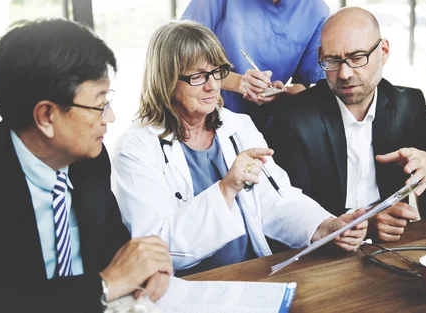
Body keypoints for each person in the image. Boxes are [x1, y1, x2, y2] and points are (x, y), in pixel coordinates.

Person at [112, 20, 368, 275]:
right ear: (166, 79)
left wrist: (326, 226)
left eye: (217, 72)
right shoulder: (136, 146)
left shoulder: (238, 126)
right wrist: (226, 189)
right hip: (186, 286)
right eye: (198, 76)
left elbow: (277, 201)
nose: (212, 85)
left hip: (250, 274)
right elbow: (157, 249)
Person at [0, 19, 173, 312]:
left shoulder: (89, 161)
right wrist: (105, 284)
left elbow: (114, 248)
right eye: (100, 103)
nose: (111, 117)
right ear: (47, 117)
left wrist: (147, 266)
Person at [266, 7, 426, 242]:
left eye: (357, 58)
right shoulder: (294, 116)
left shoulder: (409, 104)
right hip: (323, 256)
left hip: (397, 246)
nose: (344, 73)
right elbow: (290, 208)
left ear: (383, 51)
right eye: (333, 61)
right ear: (320, 57)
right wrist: (364, 223)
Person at [181, 0, 328, 129]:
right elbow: (182, 54)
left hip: (264, 125)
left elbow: (303, 87)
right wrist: (238, 82)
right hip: (204, 113)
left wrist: (277, 92)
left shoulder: (316, 10)